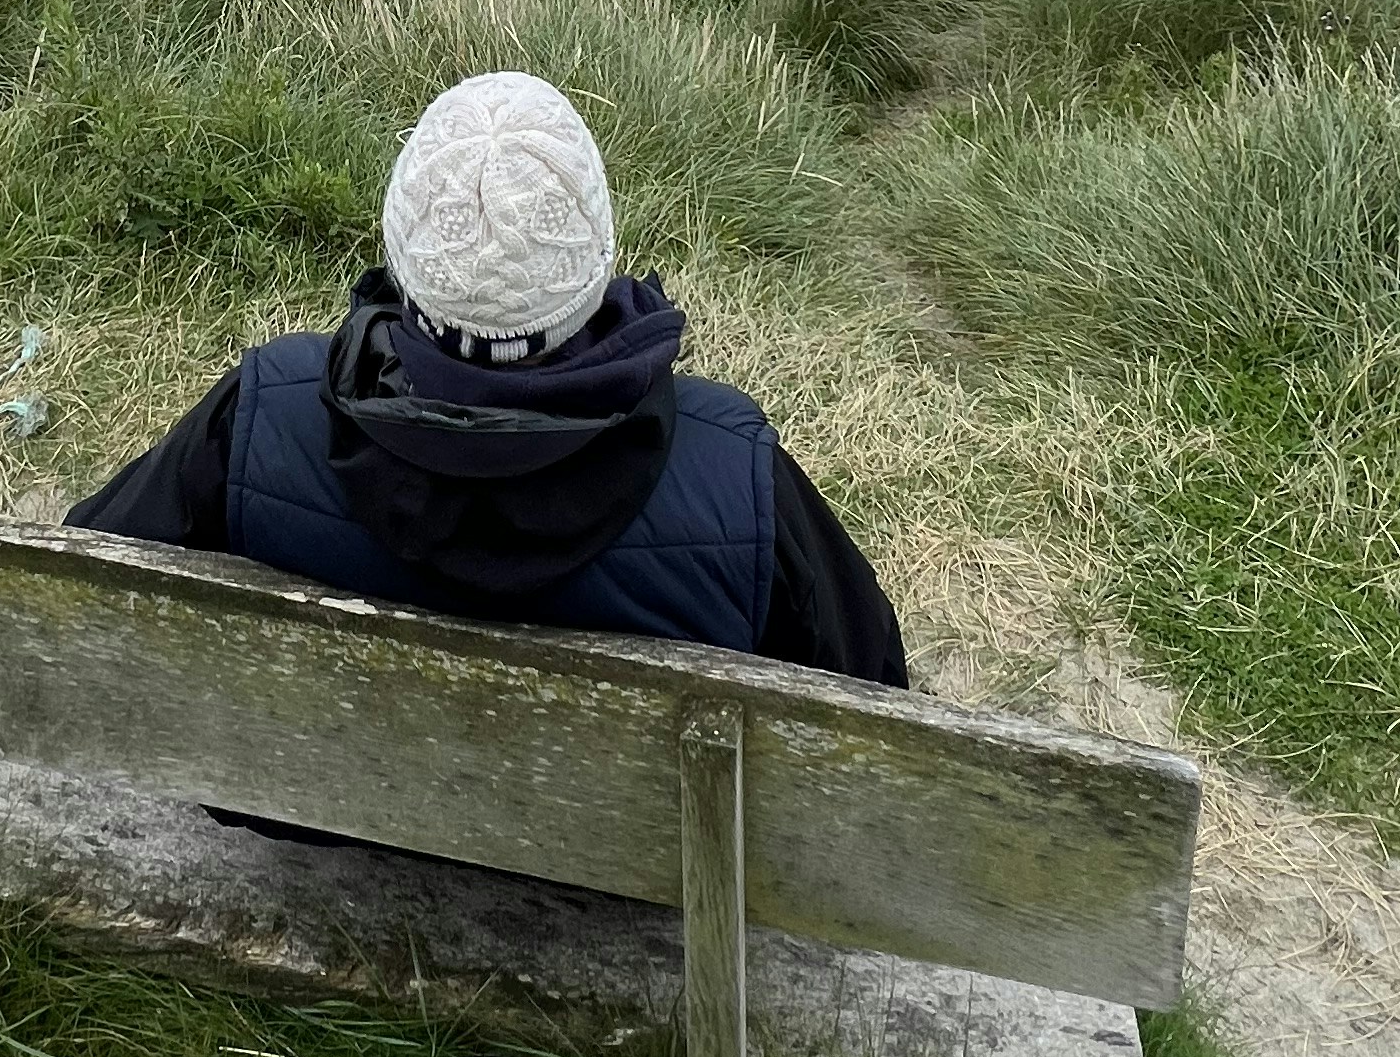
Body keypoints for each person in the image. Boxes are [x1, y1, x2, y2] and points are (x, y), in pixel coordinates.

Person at [69, 70, 907, 684]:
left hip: (321, 840)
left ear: (405, 250)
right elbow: (875, 692)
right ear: (593, 257)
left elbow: (77, 588)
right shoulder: (737, 475)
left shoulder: (263, 413)